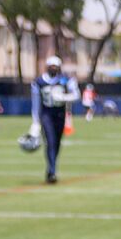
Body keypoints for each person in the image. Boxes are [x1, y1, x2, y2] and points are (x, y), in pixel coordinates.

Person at [29, 56, 79, 184]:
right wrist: (35, 121)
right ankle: (52, 171)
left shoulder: (65, 79)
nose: (54, 69)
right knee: (50, 142)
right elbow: (36, 103)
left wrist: (63, 97)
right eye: (51, 66)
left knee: (56, 143)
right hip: (47, 114)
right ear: (47, 67)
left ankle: (51, 168)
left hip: (60, 114)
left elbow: (76, 95)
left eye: (56, 66)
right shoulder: (39, 82)